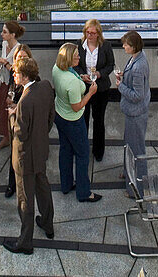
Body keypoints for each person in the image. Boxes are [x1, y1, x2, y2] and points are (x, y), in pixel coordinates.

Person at [1, 55, 55, 255]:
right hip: (41, 150)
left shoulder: (25, 100)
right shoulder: (46, 87)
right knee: (43, 187)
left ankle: (24, 243)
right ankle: (48, 225)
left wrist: (13, 115)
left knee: (25, 199)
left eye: (16, 73)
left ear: (24, 76)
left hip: (24, 157)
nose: (13, 75)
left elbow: (20, 133)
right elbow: (50, 116)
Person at [52, 42, 101, 202]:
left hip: (59, 115)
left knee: (65, 150)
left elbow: (69, 76)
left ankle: (66, 185)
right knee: (82, 154)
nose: (79, 57)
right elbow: (77, 106)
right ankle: (84, 192)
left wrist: (80, 77)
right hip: (73, 120)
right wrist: (91, 92)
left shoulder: (57, 69)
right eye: (76, 56)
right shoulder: (71, 83)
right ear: (68, 58)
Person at [72, 19, 115, 161]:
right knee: (82, 120)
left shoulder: (106, 46)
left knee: (99, 120)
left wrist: (99, 74)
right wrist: (81, 75)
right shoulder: (79, 45)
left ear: (98, 34)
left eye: (92, 33)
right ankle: (82, 149)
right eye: (87, 32)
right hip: (83, 88)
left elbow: (110, 65)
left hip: (101, 89)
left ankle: (98, 151)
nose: (89, 35)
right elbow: (75, 64)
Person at [116, 30, 150, 196]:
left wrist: (120, 86)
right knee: (129, 144)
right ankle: (127, 172)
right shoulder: (139, 57)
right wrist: (124, 76)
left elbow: (138, 95)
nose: (123, 46)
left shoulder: (138, 67)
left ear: (134, 46)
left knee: (136, 150)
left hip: (135, 113)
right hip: (135, 112)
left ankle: (137, 189)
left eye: (126, 45)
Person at [3, 43, 34, 198]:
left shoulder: (33, 76)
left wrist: (17, 105)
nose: (21, 59)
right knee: (14, 151)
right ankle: (11, 184)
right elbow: (10, 92)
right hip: (14, 120)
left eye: (24, 57)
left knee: (25, 153)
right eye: (18, 57)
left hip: (25, 121)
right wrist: (10, 101)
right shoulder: (13, 74)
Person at [0, 20, 25, 152]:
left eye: (4, 32)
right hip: (5, 82)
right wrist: (0, 67)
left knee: (11, 110)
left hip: (14, 86)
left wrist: (4, 62)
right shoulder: (4, 43)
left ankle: (13, 138)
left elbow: (18, 71)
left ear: (13, 34)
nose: (1, 34)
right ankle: (6, 138)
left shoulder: (19, 49)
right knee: (3, 110)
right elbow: (4, 63)